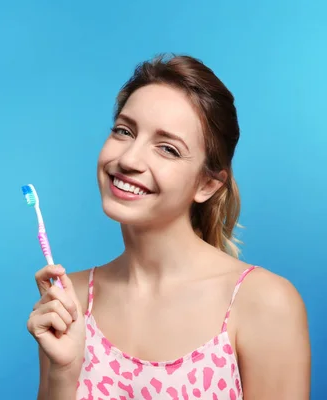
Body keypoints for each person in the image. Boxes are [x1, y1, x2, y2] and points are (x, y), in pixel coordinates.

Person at [27, 54, 311, 400]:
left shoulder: (264, 304)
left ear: (207, 184)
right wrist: (63, 372)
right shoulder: (69, 299)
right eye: (124, 130)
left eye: (168, 149)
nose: (129, 160)